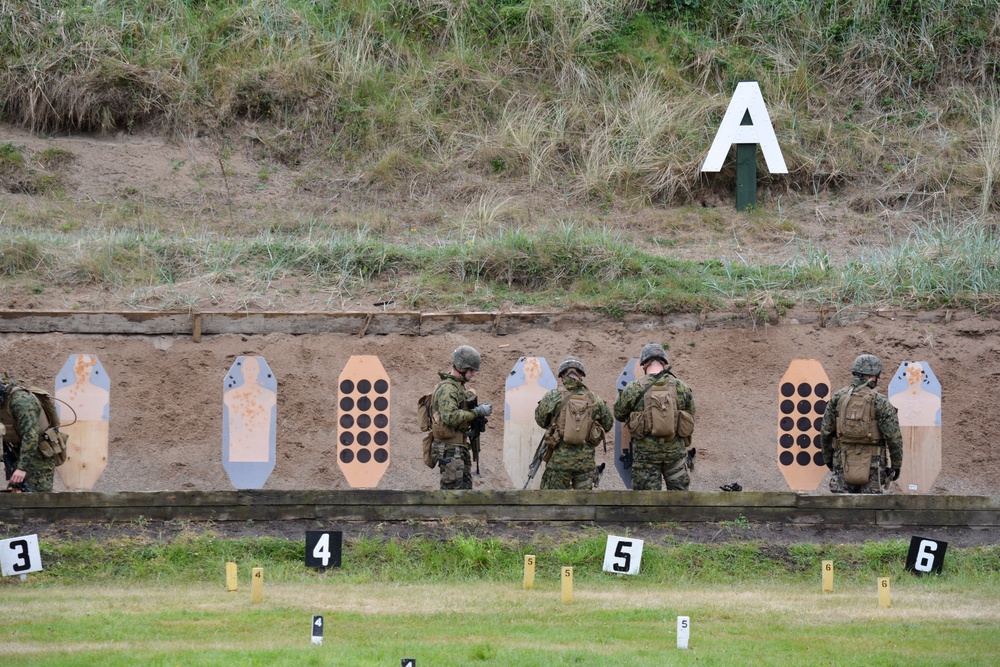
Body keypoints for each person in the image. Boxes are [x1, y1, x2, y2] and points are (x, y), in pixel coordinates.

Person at [613, 344, 695, 491]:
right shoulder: (681, 387)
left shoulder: (634, 388)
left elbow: (619, 413)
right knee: (679, 500)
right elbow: (691, 414)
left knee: (646, 502)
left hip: (646, 456)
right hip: (674, 454)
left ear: (644, 364)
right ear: (664, 362)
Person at [820, 354, 903, 494]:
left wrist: (828, 459)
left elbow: (825, 432)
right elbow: (894, 437)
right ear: (872, 376)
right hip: (874, 466)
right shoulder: (880, 401)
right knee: (871, 510)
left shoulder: (837, 397)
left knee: (840, 509)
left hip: (842, 462)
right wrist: (896, 464)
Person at [533, 356, 614, 490]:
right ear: (581, 375)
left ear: (562, 375)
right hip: (585, 464)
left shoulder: (552, 396)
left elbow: (541, 421)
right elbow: (608, 424)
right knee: (584, 505)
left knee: (553, 503)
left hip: (558, 463)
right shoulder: (595, 400)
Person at [428, 345, 492, 490]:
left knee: (464, 495)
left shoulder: (458, 388)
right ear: (461, 367)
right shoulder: (448, 388)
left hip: (458, 448)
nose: (473, 373)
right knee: (451, 497)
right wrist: (477, 412)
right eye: (471, 370)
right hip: (450, 449)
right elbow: (450, 417)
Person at [0, 377, 57, 492]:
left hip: (38, 453)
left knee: (39, 498)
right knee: (16, 496)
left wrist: (22, 468)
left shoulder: (21, 402)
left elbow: (30, 436)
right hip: (18, 451)